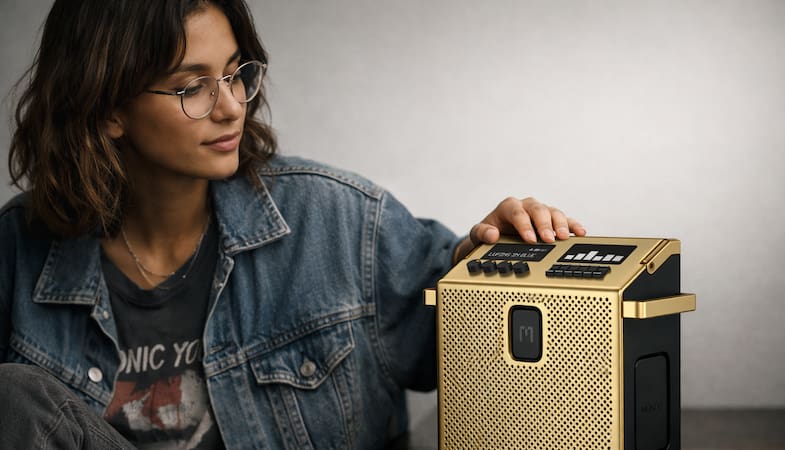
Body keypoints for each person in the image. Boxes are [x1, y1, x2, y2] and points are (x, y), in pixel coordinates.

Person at [0, 0, 586, 449]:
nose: (231, 105)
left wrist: (494, 262)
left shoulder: (338, 220)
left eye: (234, 74)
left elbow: (471, 349)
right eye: (191, 87)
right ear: (106, 111)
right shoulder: (18, 248)